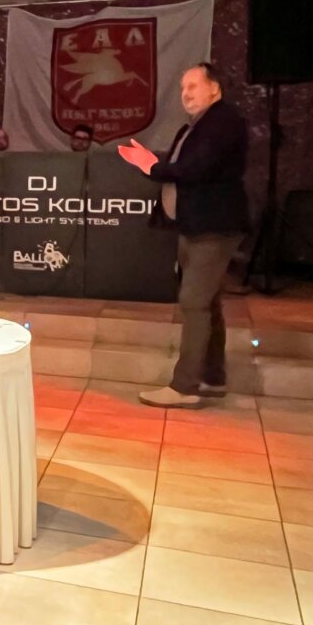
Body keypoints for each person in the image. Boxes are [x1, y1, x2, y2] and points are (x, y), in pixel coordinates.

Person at [117, 62, 250, 407]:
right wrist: (152, 165)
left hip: (213, 227)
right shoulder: (197, 125)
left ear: (215, 88)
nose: (185, 94)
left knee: (193, 301)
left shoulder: (224, 122)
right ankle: (212, 378)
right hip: (194, 226)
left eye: (193, 86)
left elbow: (193, 170)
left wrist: (149, 164)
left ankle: (185, 386)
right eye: (182, 88)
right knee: (207, 302)